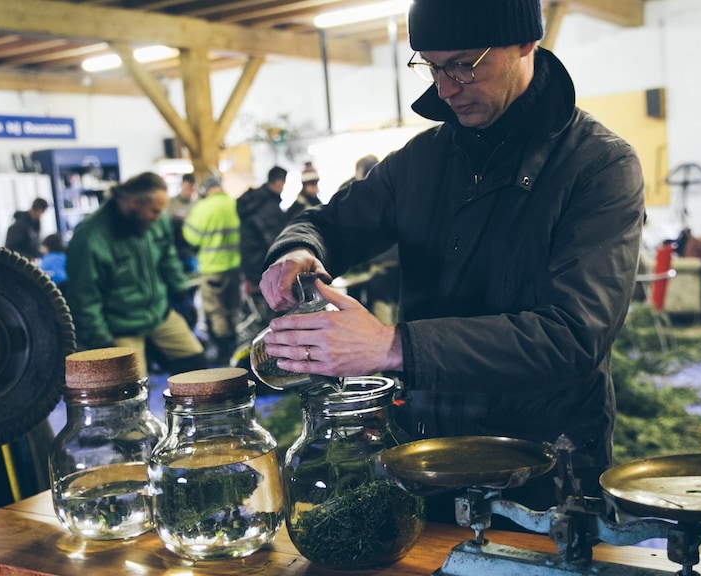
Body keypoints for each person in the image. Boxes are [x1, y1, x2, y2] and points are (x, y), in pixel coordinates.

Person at [256, 0, 645, 517]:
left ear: (525, 43)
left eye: (464, 64)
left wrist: (393, 346)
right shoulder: (421, 161)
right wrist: (299, 250)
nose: (444, 88)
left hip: (544, 465)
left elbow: (573, 336)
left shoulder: (598, 165)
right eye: (433, 67)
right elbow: (329, 222)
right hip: (427, 452)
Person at [66, 171, 207, 377]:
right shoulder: (90, 238)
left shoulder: (155, 221)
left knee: (197, 367)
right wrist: (102, 341)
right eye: (154, 211)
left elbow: (168, 257)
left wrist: (181, 293)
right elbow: (84, 298)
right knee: (133, 388)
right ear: (134, 203)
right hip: (121, 326)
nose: (159, 217)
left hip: (159, 313)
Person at [183, 174, 241, 364]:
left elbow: (191, 237)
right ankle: (237, 348)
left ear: (206, 190)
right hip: (234, 267)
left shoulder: (202, 208)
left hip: (212, 268)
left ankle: (224, 353)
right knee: (233, 308)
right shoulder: (234, 204)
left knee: (216, 311)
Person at [237, 165, 289, 329]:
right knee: (271, 313)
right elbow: (274, 241)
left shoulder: (255, 202)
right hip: (264, 266)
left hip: (251, 264)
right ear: (279, 182)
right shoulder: (267, 206)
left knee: (261, 310)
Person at [168, 173, 200, 330]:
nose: (189, 192)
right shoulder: (170, 203)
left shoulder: (198, 204)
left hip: (191, 254)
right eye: (186, 188)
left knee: (191, 290)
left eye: (192, 189)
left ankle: (190, 325)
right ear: (181, 186)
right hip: (173, 253)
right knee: (176, 292)